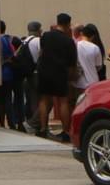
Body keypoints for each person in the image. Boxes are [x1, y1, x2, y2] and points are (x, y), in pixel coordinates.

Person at [36, 13, 77, 142]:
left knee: (44, 99)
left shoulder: (46, 36)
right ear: (68, 25)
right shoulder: (68, 41)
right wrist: (70, 77)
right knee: (63, 101)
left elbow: (41, 52)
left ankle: (43, 129)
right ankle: (65, 132)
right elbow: (72, 63)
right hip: (60, 72)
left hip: (44, 71)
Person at [19, 21, 43, 134]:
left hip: (27, 74)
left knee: (31, 99)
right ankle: (34, 124)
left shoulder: (24, 41)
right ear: (38, 30)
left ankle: (30, 122)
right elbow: (42, 54)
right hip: (36, 73)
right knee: (40, 100)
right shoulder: (37, 41)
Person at [0, 21, 21, 129]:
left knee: (0, 100)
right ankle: (11, 123)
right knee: (7, 98)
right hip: (8, 73)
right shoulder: (8, 40)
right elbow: (13, 56)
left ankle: (2, 122)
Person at [74, 24, 104, 104]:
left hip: (78, 82)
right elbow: (99, 66)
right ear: (93, 36)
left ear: (81, 34)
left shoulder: (75, 46)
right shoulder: (95, 48)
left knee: (79, 105)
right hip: (93, 81)